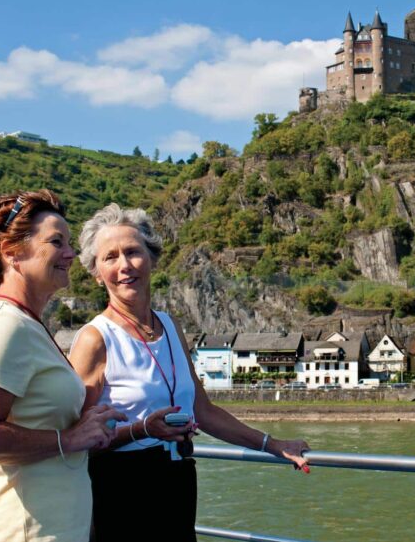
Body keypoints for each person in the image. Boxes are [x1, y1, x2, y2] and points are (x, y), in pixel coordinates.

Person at [70, 203, 311, 541]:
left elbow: (203, 410)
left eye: (133, 252)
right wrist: (141, 430)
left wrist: (274, 445)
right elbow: (77, 441)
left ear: (152, 259)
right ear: (96, 273)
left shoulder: (170, 325)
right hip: (121, 492)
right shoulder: (95, 339)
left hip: (178, 482)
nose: (124, 265)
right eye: (110, 257)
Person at [0, 190, 126, 542]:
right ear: (13, 252)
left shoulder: (28, 326)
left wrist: (82, 427)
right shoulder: (5, 328)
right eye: (56, 242)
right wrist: (70, 438)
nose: (71, 253)